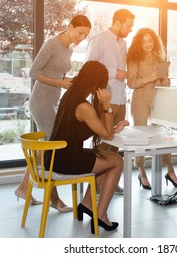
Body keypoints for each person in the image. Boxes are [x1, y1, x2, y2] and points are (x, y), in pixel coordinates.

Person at [14, 15, 92, 211]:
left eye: (85, 35)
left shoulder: (70, 48)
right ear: (70, 26)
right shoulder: (52, 43)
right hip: (40, 100)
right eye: (80, 32)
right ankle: (53, 199)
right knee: (51, 147)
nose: (82, 37)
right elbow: (34, 72)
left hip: (53, 100)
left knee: (44, 147)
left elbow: (57, 73)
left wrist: (68, 81)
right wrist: (60, 83)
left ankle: (24, 188)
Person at [47, 61, 129, 233]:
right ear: (94, 84)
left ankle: (87, 204)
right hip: (66, 160)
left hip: (57, 155)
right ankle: (101, 215)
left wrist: (115, 128)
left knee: (106, 158)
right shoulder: (84, 106)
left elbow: (103, 131)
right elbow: (107, 136)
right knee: (117, 161)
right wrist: (107, 106)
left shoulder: (70, 96)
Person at [84, 8, 135, 195]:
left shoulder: (124, 43)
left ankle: (109, 182)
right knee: (103, 145)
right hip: (105, 98)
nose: (130, 29)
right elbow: (89, 66)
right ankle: (95, 187)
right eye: (128, 25)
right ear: (118, 22)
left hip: (121, 98)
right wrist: (115, 72)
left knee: (115, 144)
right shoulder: (99, 39)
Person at [127, 28, 177, 189]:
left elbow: (166, 83)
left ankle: (169, 168)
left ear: (154, 41)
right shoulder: (134, 58)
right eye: (143, 42)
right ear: (139, 43)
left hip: (158, 99)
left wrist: (164, 80)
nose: (147, 45)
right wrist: (148, 78)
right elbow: (130, 83)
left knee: (162, 134)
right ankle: (141, 170)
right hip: (140, 99)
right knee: (140, 137)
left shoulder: (160, 58)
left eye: (149, 41)